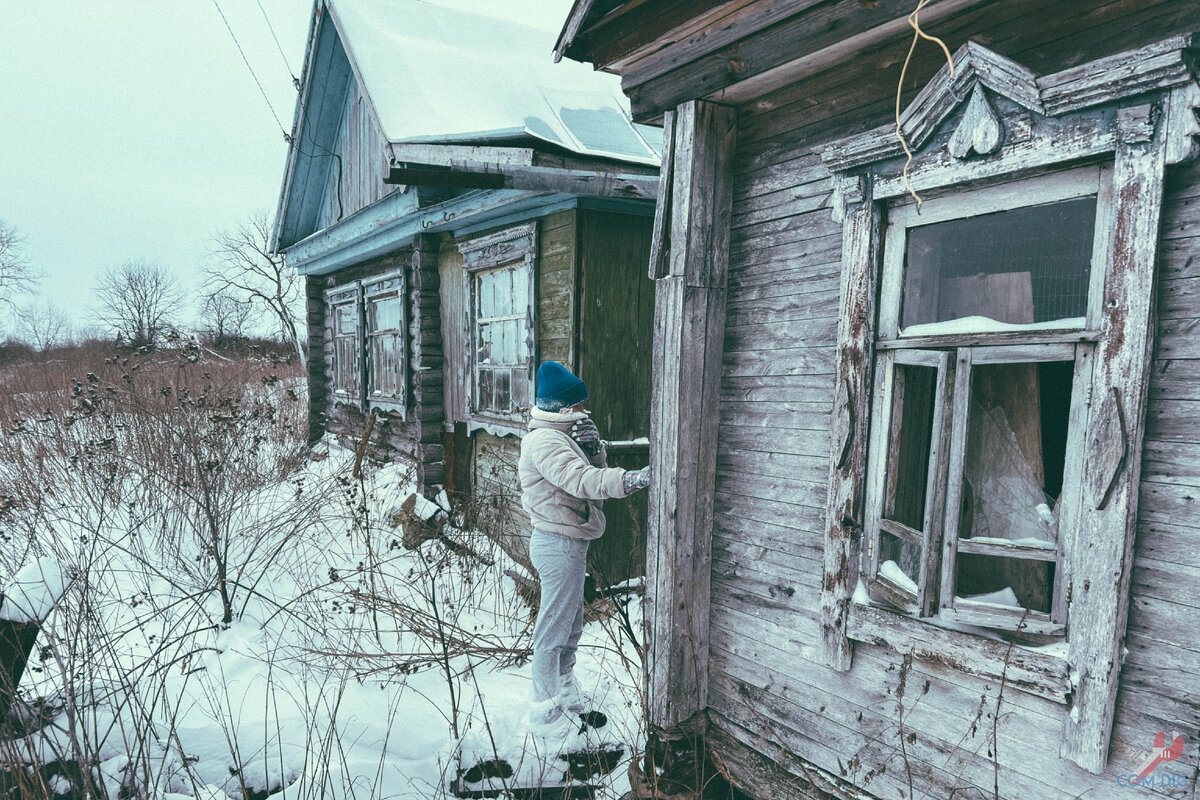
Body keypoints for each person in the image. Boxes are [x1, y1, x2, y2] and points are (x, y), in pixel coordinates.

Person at [517, 361, 650, 738]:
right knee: (553, 629)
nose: (583, 412)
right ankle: (544, 711)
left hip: (570, 542)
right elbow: (579, 480)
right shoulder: (544, 440)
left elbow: (584, 467)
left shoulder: (561, 437)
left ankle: (564, 691)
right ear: (563, 408)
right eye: (578, 407)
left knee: (571, 624)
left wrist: (594, 450)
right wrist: (629, 480)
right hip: (557, 544)